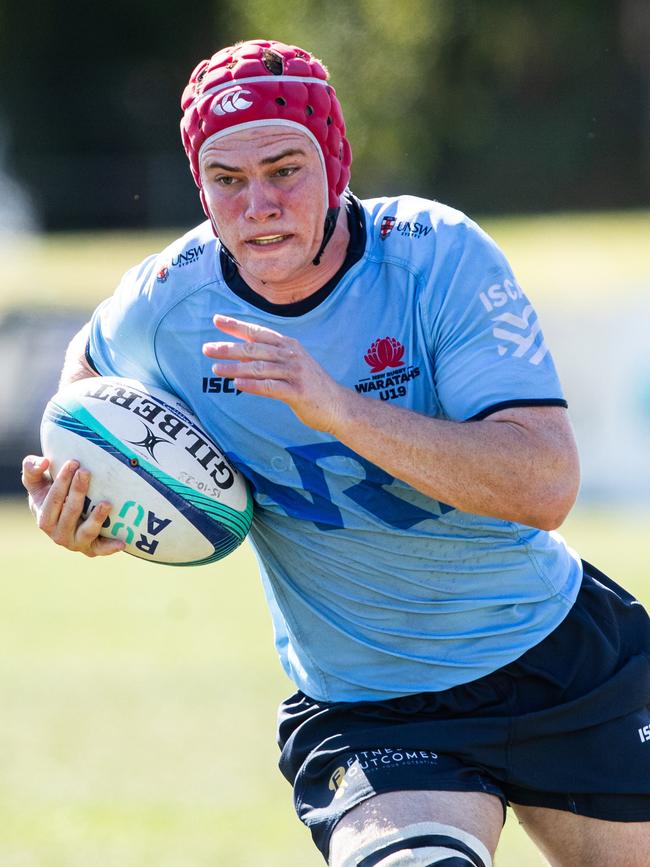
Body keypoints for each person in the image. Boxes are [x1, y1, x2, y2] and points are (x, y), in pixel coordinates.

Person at [22, 39, 650, 866]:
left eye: (286, 168)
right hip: (373, 711)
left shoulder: (435, 256)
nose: (259, 206)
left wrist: (336, 407)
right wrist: (82, 497)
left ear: (337, 162)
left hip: (558, 655)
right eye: (227, 180)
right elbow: (83, 394)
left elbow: (544, 483)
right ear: (199, 186)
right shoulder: (165, 305)